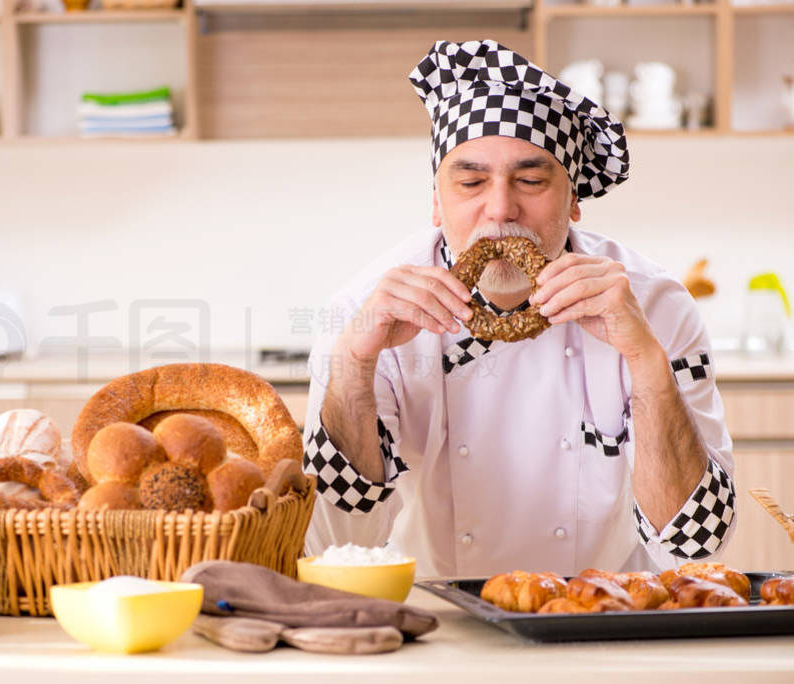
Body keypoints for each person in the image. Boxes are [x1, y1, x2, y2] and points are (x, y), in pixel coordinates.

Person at [300, 39, 735, 577]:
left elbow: (697, 546)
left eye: (530, 180)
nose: (501, 208)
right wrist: (354, 367)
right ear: (437, 201)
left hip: (607, 616)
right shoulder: (362, 313)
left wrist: (646, 362)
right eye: (470, 181)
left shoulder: (656, 307)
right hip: (436, 622)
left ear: (574, 197)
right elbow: (336, 542)